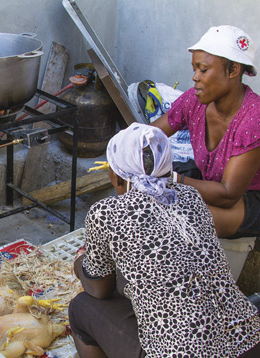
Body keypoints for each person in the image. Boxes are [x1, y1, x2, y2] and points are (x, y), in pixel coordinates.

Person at [68, 123, 260, 357]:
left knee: (81, 307)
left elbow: (99, 291)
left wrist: (81, 262)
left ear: (117, 177)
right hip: (249, 342)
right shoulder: (191, 196)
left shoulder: (106, 211)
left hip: (181, 352)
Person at [151, 25, 260, 240]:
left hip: (248, 198)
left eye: (203, 69)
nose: (195, 77)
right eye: (194, 69)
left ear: (233, 70)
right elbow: (149, 135)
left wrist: (172, 179)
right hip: (210, 180)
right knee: (131, 180)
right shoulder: (194, 100)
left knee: (182, 217)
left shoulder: (253, 120)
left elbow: (229, 194)